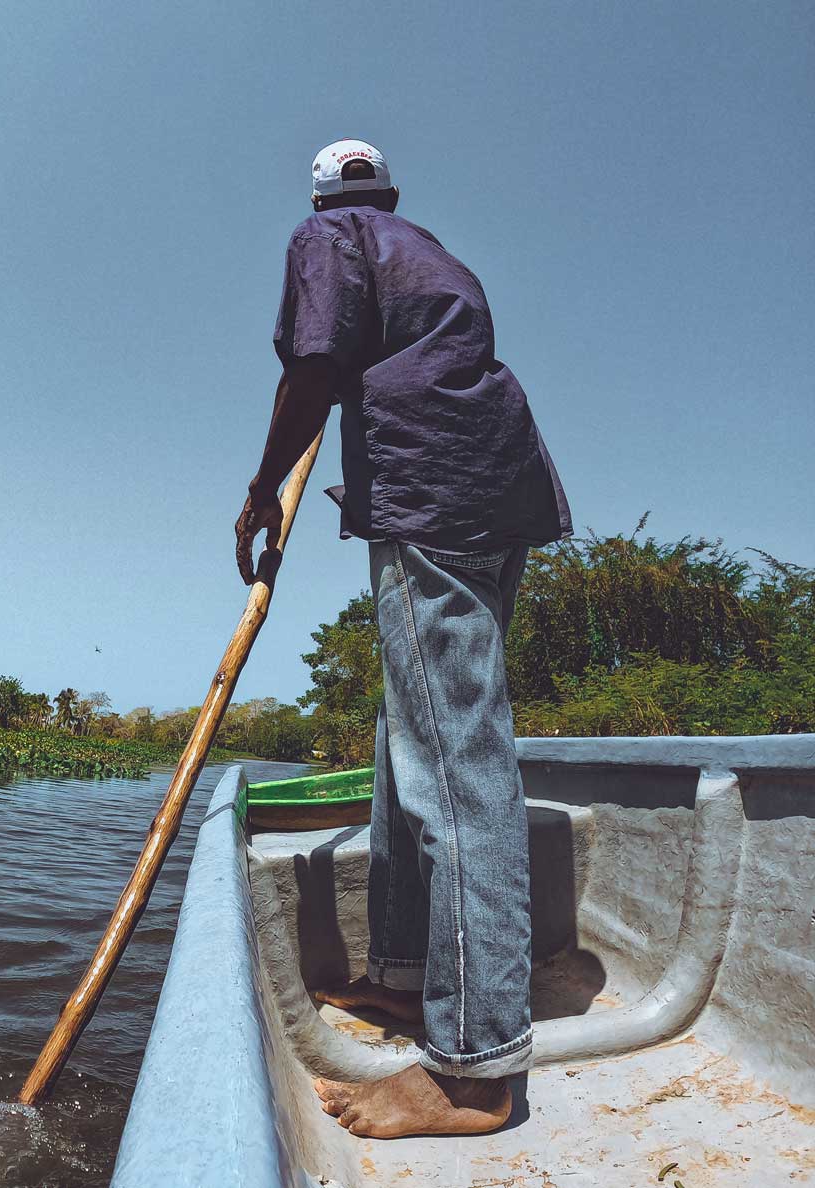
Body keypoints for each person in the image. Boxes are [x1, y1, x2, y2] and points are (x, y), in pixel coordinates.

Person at [234, 139, 571, 1139]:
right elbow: (346, 360)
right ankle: (409, 973)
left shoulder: (327, 236)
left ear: (324, 196)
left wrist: (262, 489)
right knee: (407, 736)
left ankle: (473, 1067)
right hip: (492, 488)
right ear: (387, 190)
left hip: (436, 494)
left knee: (454, 762)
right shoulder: (416, 247)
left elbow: (317, 364)